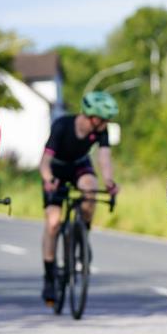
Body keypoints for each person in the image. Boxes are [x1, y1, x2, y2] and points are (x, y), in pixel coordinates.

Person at [38, 91, 120, 304]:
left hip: (79, 166)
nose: (107, 124)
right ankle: (49, 276)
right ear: (92, 117)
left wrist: (109, 181)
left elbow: (104, 158)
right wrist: (48, 180)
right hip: (55, 169)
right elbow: (45, 161)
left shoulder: (101, 130)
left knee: (90, 188)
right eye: (105, 120)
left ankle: (82, 231)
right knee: (54, 222)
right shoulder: (62, 125)